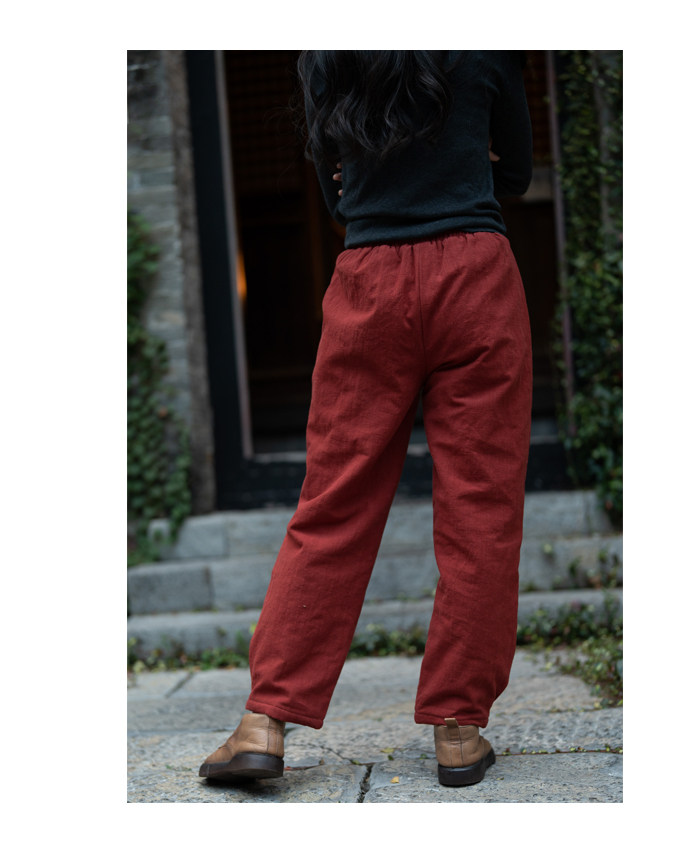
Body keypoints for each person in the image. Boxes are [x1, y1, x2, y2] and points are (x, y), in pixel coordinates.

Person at [199, 50, 533, 788]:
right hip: (477, 277)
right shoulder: (485, 43)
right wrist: (463, 160)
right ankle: (458, 726)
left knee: (334, 502)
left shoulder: (329, 53)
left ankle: (264, 723)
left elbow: (336, 194)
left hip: (371, 280)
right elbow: (515, 172)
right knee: (482, 506)